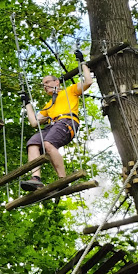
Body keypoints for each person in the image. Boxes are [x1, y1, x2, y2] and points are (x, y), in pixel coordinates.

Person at [19, 50, 93, 191]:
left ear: (57, 82)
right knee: (33, 144)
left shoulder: (70, 91)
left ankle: (62, 179)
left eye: (47, 82)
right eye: (43, 84)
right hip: (52, 125)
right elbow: (34, 122)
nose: (45, 86)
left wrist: (82, 63)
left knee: (48, 143)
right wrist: (27, 103)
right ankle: (36, 179)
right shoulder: (49, 105)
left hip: (67, 121)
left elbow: (88, 81)